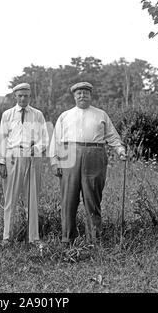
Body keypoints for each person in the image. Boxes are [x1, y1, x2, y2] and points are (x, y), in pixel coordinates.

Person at [49, 82, 127, 246]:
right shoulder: (65, 115)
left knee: (92, 199)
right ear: (74, 96)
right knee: (68, 199)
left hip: (95, 155)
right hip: (68, 154)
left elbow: (112, 136)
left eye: (85, 93)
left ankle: (93, 240)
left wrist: (120, 150)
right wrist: (54, 161)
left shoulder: (101, 115)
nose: (82, 96)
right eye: (79, 93)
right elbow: (55, 139)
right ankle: (67, 238)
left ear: (91, 96)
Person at [0, 83, 49, 246]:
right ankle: (7, 236)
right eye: (20, 96)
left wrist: (37, 147)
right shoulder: (7, 115)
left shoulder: (37, 115)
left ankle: (33, 237)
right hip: (13, 157)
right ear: (15, 96)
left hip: (32, 157)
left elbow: (45, 138)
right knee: (10, 198)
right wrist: (1, 162)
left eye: (26, 96)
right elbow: (3, 139)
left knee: (32, 198)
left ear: (30, 96)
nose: (23, 98)